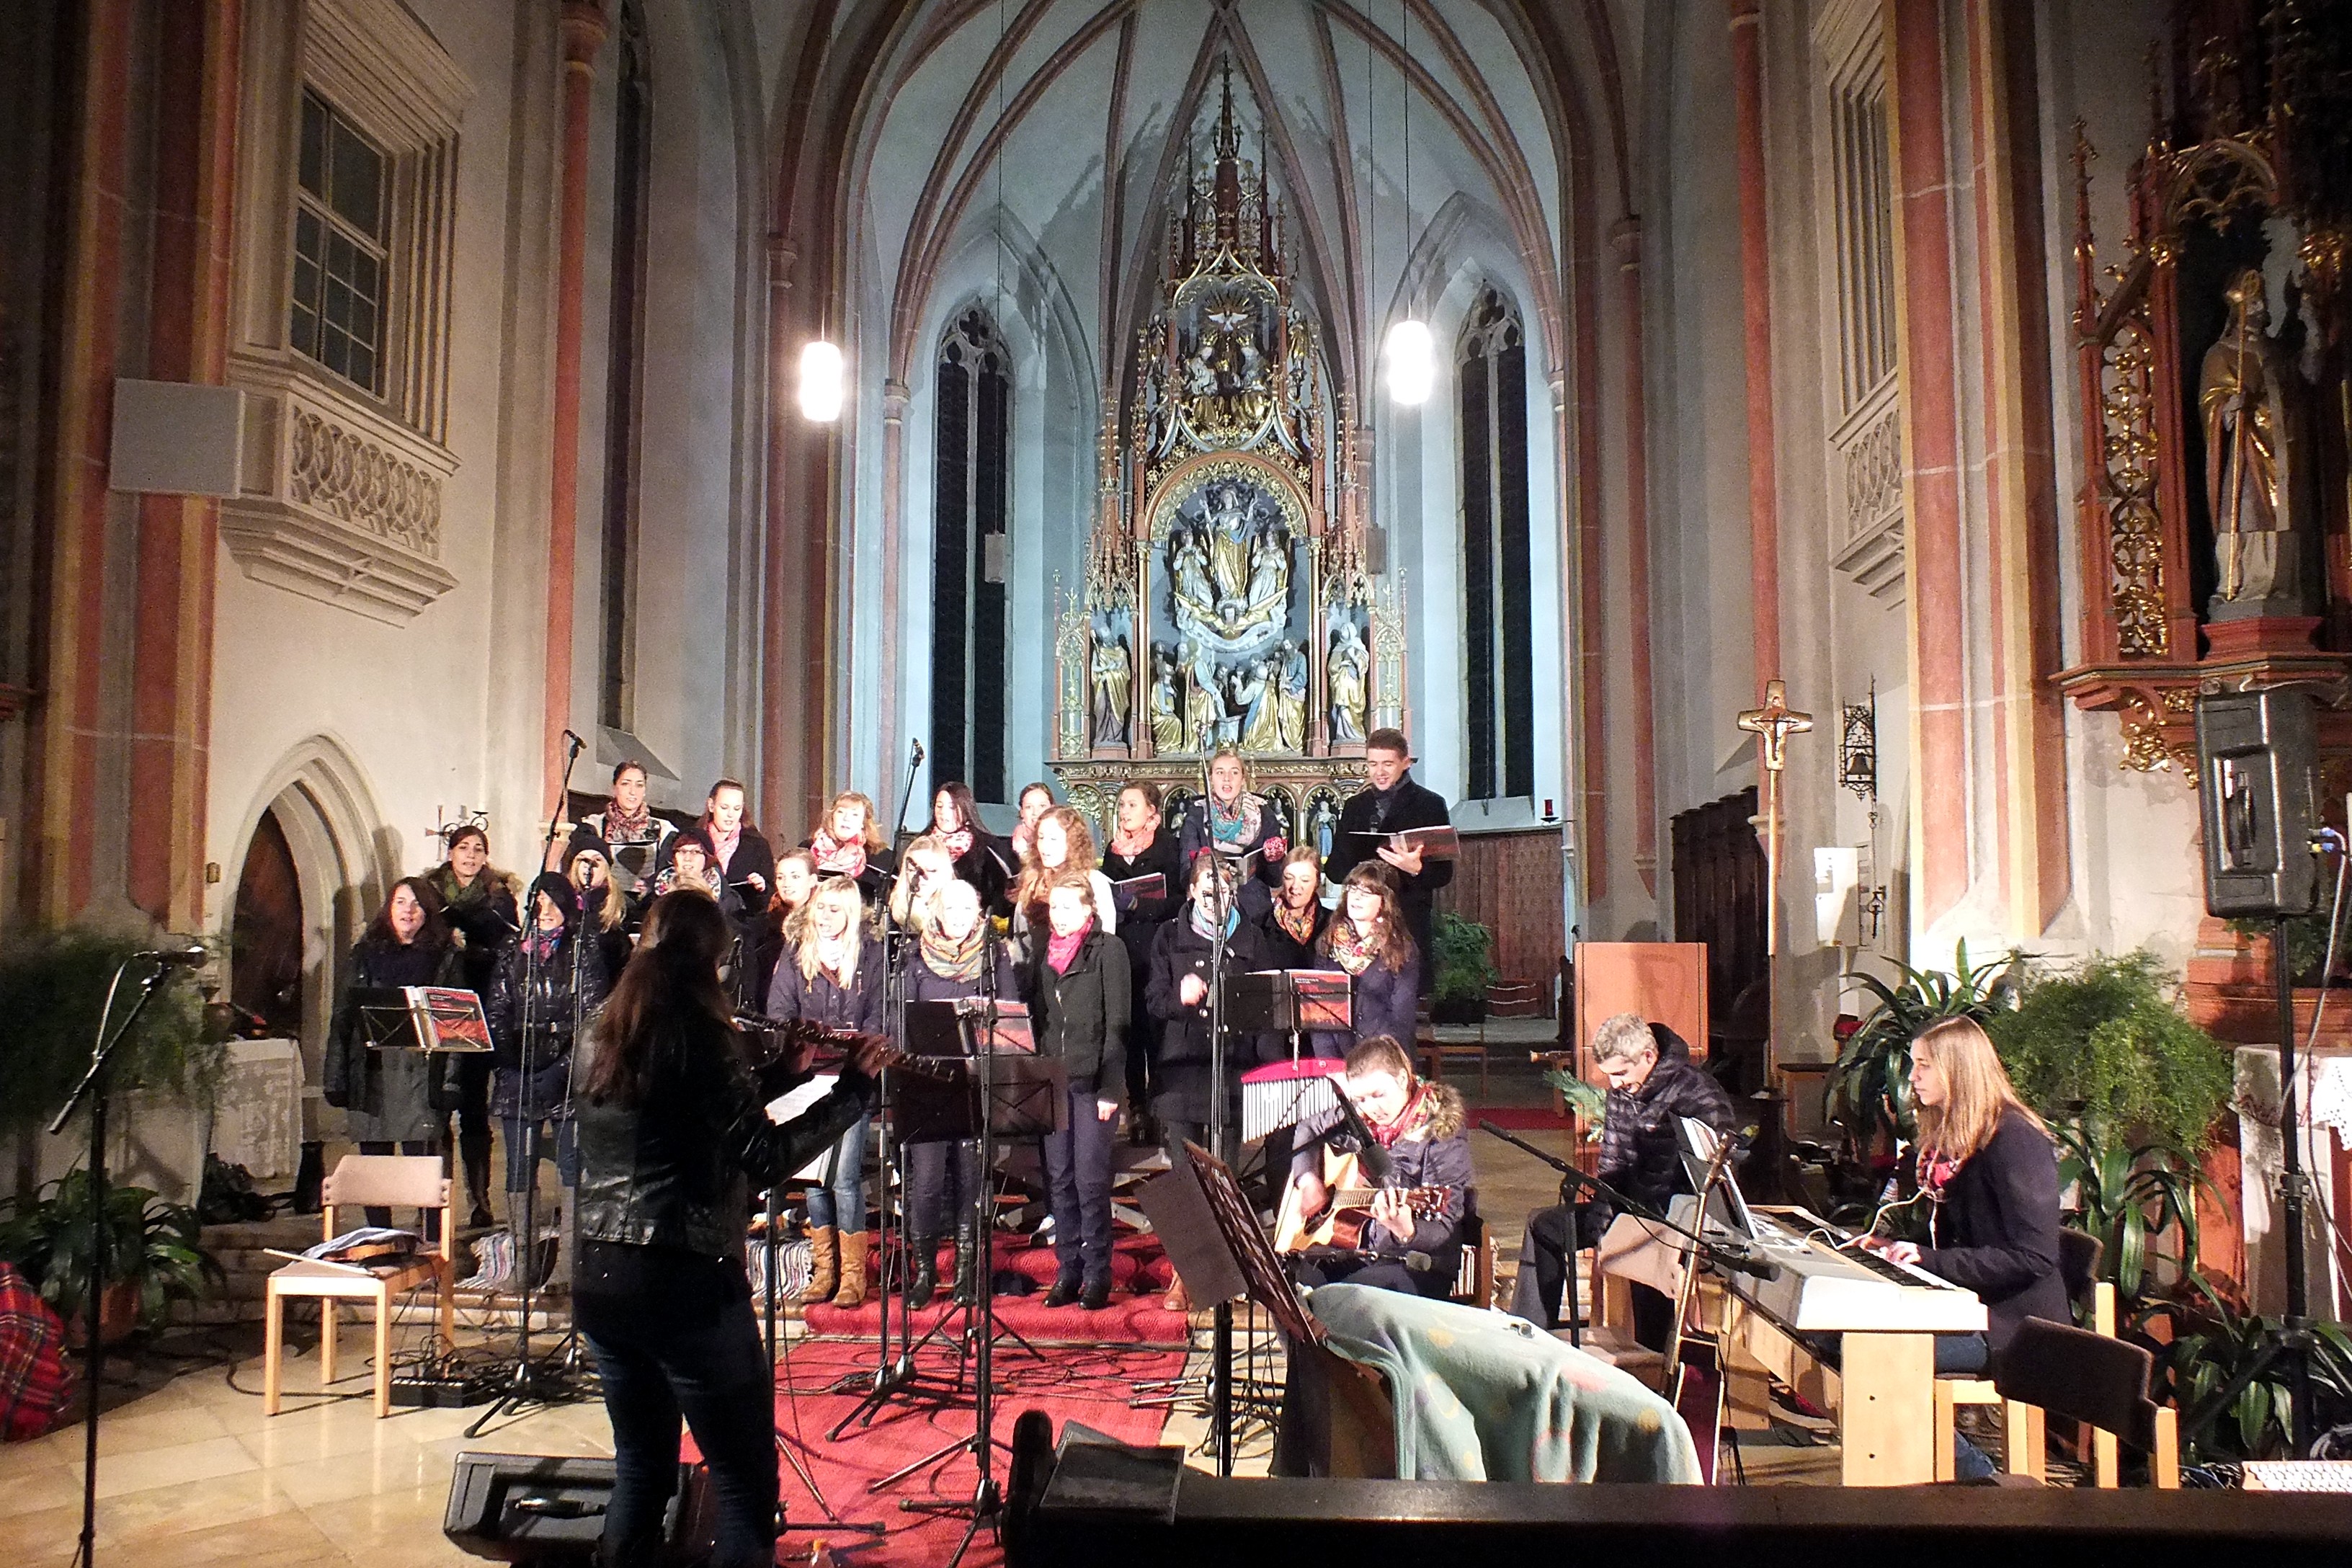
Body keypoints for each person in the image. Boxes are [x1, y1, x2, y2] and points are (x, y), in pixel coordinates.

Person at [573, 888, 884, 1568]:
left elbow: (677, 1110)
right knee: (743, 1483)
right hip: (683, 1276)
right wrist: (852, 1093)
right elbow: (763, 1157)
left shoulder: (601, 1026)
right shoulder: (702, 1031)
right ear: (712, 960)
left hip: (600, 1272)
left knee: (640, 1468)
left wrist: (780, 1074)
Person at [1859, 1016, 2065, 1478]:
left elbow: (2035, 1257)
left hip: (2017, 1327)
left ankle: (1976, 1480)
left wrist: (1930, 1260)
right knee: (1846, 1341)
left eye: (1924, 1066)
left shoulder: (2015, 1140)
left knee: (1879, 1361)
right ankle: (1917, 1475)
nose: (1912, 1077)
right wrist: (1895, 1247)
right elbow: (1963, 1238)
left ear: (1959, 1070)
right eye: (1913, 1064)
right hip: (1966, 1309)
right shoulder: (1956, 1135)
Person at [1507, 1014, 1734, 1348]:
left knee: (1644, 1248)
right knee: (1545, 1226)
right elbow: (1613, 1165)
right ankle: (1530, 1339)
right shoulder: (1622, 1094)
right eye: (1610, 1075)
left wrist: (1635, 1223)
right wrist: (1602, 1224)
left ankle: (1653, 1357)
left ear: (1648, 1056)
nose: (1615, 1085)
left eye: (1621, 1073)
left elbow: (1715, 1178)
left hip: (1677, 1222)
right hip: (1629, 1211)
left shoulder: (1698, 1094)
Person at [487, 873, 611, 1291]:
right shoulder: (512, 950)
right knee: (519, 1167)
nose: (544, 909)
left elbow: (593, 1017)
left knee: (571, 1167)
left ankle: (567, 1265)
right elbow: (497, 1008)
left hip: (566, 1075)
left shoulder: (582, 951)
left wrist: (560, 1070)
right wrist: (509, 1061)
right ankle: (523, 1262)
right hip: (518, 1071)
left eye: (552, 901)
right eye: (537, 900)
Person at [766, 877, 886, 1309]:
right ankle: (825, 1271)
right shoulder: (796, 952)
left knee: (844, 1177)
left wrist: (855, 1046)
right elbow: (779, 1010)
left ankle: (853, 1276)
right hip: (808, 1078)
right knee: (814, 1177)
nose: (825, 916)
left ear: (850, 913)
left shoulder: (871, 955)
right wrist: (804, 1037)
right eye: (820, 908)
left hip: (851, 1077)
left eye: (835, 909)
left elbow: (879, 1016)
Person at [901, 877, 1020, 1309]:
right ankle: (925, 1272)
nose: (958, 917)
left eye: (966, 909)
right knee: (927, 1182)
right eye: (950, 909)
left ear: (979, 916)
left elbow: (1009, 1016)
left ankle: (968, 1271)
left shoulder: (993, 954)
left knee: (972, 1179)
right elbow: (900, 1026)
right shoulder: (913, 958)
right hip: (926, 1086)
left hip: (974, 1083)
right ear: (936, 913)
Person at [1284, 1035, 1471, 1298]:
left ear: (1402, 1080)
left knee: (1348, 1297)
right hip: (1359, 1250)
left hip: (1418, 1263)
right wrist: (1307, 1180)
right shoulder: (1361, 1119)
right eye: (1361, 1099)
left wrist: (1407, 1231)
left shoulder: (1441, 1135)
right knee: (1289, 1278)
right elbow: (1309, 1128)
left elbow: (1445, 1226)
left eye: (1378, 1095)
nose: (1371, 1108)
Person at [323, 877, 460, 1231]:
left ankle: (432, 1241)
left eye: (416, 904)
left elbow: (455, 1026)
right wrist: (335, 1076)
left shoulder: (445, 958)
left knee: (423, 1167)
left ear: (428, 912)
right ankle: (379, 1238)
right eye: (400, 902)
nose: (407, 911)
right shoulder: (365, 954)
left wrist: (450, 1083)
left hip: (420, 1074)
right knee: (375, 1168)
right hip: (372, 1071)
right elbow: (343, 1017)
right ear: (388, 908)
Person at [1025, 871, 1130, 1309]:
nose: (1060, 915)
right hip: (1054, 1081)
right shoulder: (1043, 955)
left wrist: (1111, 1089)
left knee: (1090, 1181)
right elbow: (1038, 1019)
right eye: (1055, 907)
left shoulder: (1108, 950)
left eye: (1069, 907)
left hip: (1093, 1084)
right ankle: (1067, 1270)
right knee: (1060, 1180)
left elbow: (1118, 1023)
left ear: (1089, 910)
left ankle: (1097, 1274)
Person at [427, 824, 520, 1229]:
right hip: (439, 1006)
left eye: (478, 849)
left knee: (473, 1107)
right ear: (451, 853)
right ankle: (434, 1200)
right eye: (463, 848)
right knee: (434, 1110)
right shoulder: (429, 892)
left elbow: (509, 947)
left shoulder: (498, 897)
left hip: (478, 1006)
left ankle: (479, 1200)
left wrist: (475, 947)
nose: (470, 855)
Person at [1322, 729, 1452, 993]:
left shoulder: (1430, 805)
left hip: (1407, 923)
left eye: (1387, 764)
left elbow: (1443, 874)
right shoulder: (1355, 807)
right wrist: (1359, 867)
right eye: (1373, 764)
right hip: (1360, 928)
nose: (1379, 772)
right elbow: (1334, 870)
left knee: (1404, 1002)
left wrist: (1416, 868)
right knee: (1359, 1001)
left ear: (1405, 762)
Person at [1102, 782, 1182, 1124]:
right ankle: (1137, 1107)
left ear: (1152, 811)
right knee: (1131, 1030)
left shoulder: (1169, 847)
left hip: (1157, 948)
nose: (1124, 811)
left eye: (1132, 805)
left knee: (1157, 1031)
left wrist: (1140, 905)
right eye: (1122, 805)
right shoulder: (1113, 851)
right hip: (1124, 950)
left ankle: (1161, 1107)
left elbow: (1180, 899)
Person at [1308, 864, 1420, 1055]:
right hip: (1336, 1056)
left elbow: (1401, 1020)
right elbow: (1320, 1015)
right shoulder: (1328, 942)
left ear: (1384, 902)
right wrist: (1330, 1062)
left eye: (1367, 892)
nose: (1356, 897)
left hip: (1384, 1056)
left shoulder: (1401, 949)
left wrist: (1375, 1064)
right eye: (1353, 889)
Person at [1177, 747, 1286, 920]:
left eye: (1234, 772)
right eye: (1220, 772)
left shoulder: (1263, 814)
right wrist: (1202, 865)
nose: (1227, 778)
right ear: (1211, 778)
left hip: (1254, 911)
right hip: (1211, 907)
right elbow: (1185, 876)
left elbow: (1276, 880)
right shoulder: (1197, 814)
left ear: (1243, 779)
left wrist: (1274, 860)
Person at [561, 758, 675, 902]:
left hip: (647, 904)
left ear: (645, 791)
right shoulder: (595, 825)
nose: (633, 792)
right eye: (626, 784)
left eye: (639, 785)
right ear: (614, 788)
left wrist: (651, 884)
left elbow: (669, 872)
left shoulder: (663, 829)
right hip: (605, 902)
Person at [1011, 804, 1118, 952]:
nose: (1045, 846)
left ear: (1073, 842)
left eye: (1053, 839)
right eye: (1041, 838)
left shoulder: (1094, 882)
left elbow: (1106, 941)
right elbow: (1021, 943)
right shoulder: (1033, 881)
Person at [932, 780, 1012, 917]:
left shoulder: (987, 846)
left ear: (965, 809)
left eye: (952, 807)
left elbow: (998, 893)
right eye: (939, 806)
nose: (943, 812)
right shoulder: (923, 843)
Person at [803, 790, 896, 906]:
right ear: (832, 817)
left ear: (863, 823)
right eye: (841, 812)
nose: (846, 818)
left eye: (855, 814)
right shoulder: (807, 850)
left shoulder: (881, 858)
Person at [566, 840, 636, 980]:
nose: (589, 866)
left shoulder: (623, 905)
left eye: (597, 860)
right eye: (582, 860)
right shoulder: (565, 901)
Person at [1257, 843, 1330, 969]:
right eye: (1289, 878)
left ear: (1317, 882)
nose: (1295, 887)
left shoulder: (1331, 924)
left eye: (1305, 880)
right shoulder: (1260, 926)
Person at [888, 833, 958, 932]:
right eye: (913, 870)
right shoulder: (889, 915)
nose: (921, 877)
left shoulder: (959, 913)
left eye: (931, 870)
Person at [1009, 780, 1056, 866]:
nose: (1036, 813)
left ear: (1052, 809)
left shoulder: (1065, 845)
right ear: (1022, 812)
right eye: (1029, 807)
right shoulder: (1007, 852)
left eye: (1042, 806)